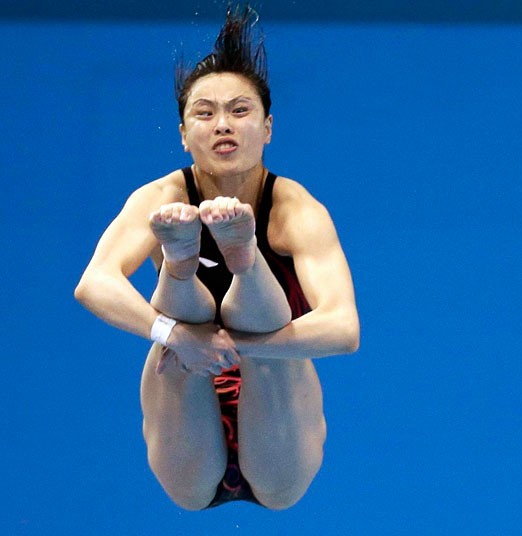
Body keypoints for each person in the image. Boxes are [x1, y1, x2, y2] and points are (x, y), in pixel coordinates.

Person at [74, 4, 359, 510]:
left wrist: (229, 346)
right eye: (204, 113)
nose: (222, 124)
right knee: (180, 309)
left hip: (276, 403)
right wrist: (178, 336)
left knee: (262, 318)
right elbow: (94, 283)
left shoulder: (295, 209)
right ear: (184, 135)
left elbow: (343, 328)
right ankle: (183, 267)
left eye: (240, 111)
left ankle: (244, 260)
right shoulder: (161, 197)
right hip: (186, 387)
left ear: (267, 127)